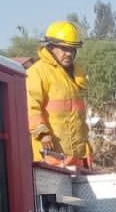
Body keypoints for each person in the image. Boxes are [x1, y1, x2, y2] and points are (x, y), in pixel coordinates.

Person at [26, 21, 92, 170]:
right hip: (50, 158)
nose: (69, 53)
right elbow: (30, 107)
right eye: (64, 48)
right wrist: (42, 134)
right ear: (50, 47)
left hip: (75, 160)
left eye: (72, 49)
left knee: (71, 195)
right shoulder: (38, 72)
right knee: (49, 194)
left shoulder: (75, 76)